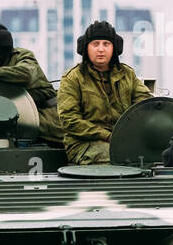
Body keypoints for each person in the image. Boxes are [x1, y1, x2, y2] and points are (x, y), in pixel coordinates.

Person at [58, 20, 151, 164]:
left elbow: (144, 105)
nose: (101, 49)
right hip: (83, 144)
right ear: (86, 48)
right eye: (95, 44)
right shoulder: (73, 78)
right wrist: (107, 136)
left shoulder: (126, 74)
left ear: (114, 47)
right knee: (115, 156)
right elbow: (69, 120)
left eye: (106, 44)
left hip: (123, 140)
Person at [0, 18, 62, 146]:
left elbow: (25, 74)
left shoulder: (22, 56)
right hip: (18, 119)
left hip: (49, 117)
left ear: (0, 41)